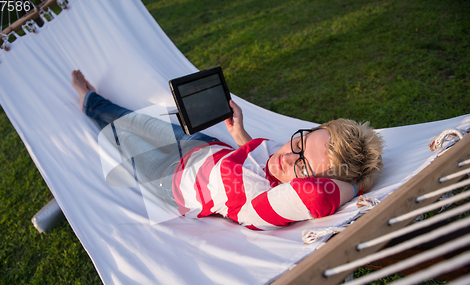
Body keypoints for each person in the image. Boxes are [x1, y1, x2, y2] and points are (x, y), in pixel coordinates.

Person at [71, 70, 384, 230]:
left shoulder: (260, 206)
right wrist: (241, 134)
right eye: (299, 143)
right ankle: (96, 102)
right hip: (204, 147)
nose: (287, 158)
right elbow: (255, 159)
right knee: (134, 121)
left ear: (311, 181)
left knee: (120, 137)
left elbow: (316, 196)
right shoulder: (282, 160)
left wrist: (359, 184)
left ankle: (88, 105)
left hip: (168, 178)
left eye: (302, 169)